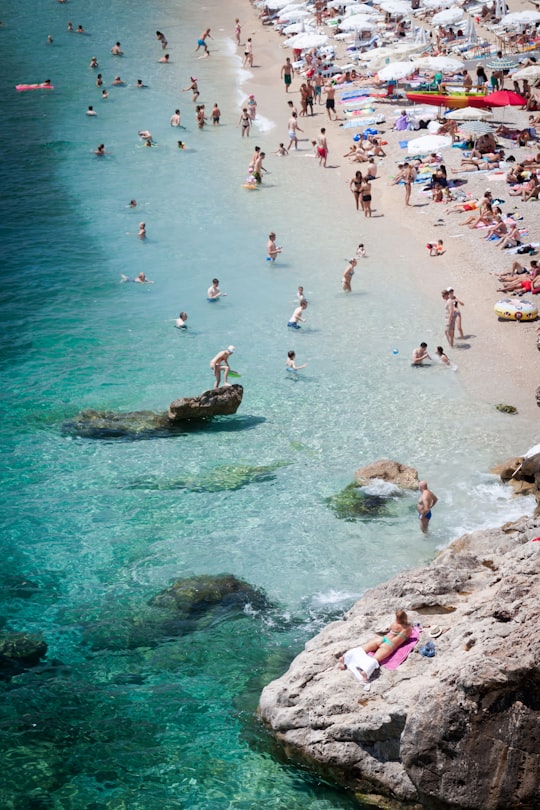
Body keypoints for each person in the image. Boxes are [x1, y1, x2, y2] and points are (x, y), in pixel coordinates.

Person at [338, 609, 413, 682]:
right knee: (375, 659)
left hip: (382, 639)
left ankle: (344, 658)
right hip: (390, 645)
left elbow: (388, 629)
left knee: (361, 649)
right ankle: (365, 673)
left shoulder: (394, 624)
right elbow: (407, 636)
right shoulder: (408, 628)